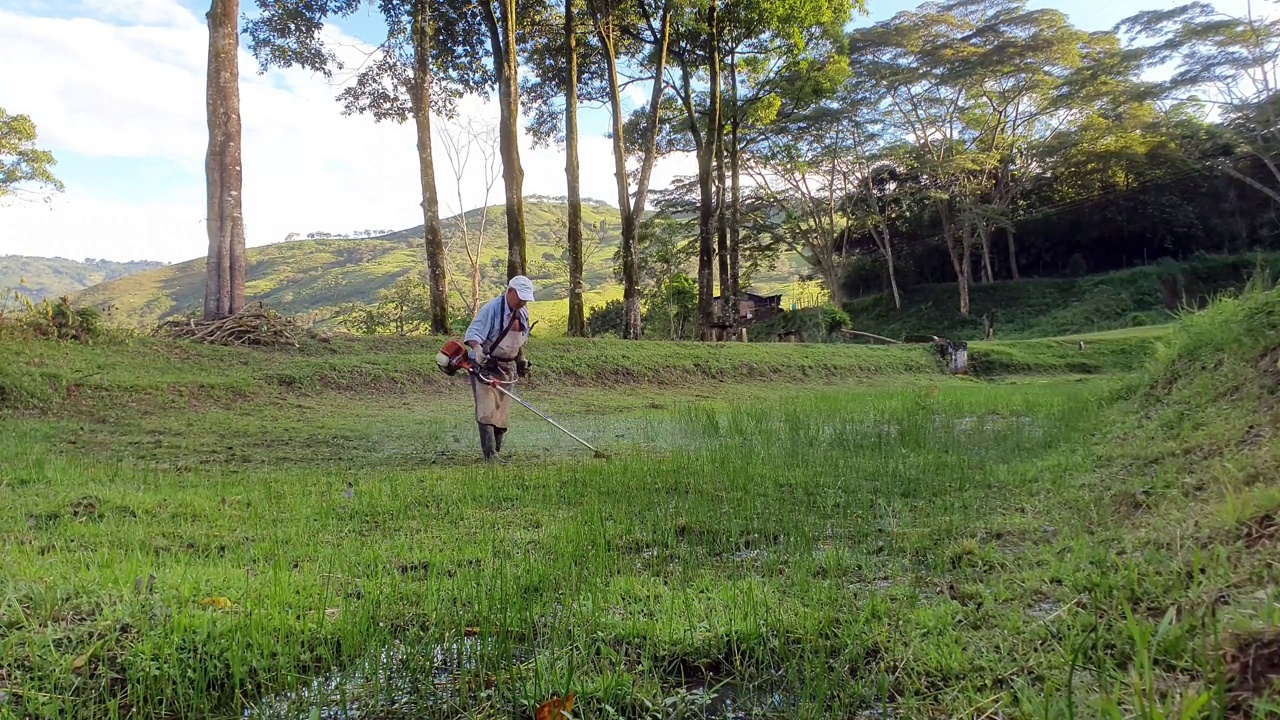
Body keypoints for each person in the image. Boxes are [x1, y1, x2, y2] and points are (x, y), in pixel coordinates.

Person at [463, 275, 535, 461]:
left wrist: (521, 360)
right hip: (486, 365)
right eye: (520, 297)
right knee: (487, 410)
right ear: (510, 292)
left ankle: (498, 451)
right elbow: (473, 334)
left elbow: (520, 341)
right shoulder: (491, 309)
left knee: (502, 411)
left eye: (525, 299)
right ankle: (490, 454)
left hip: (507, 367)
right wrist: (477, 350)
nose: (522, 302)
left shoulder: (523, 312)